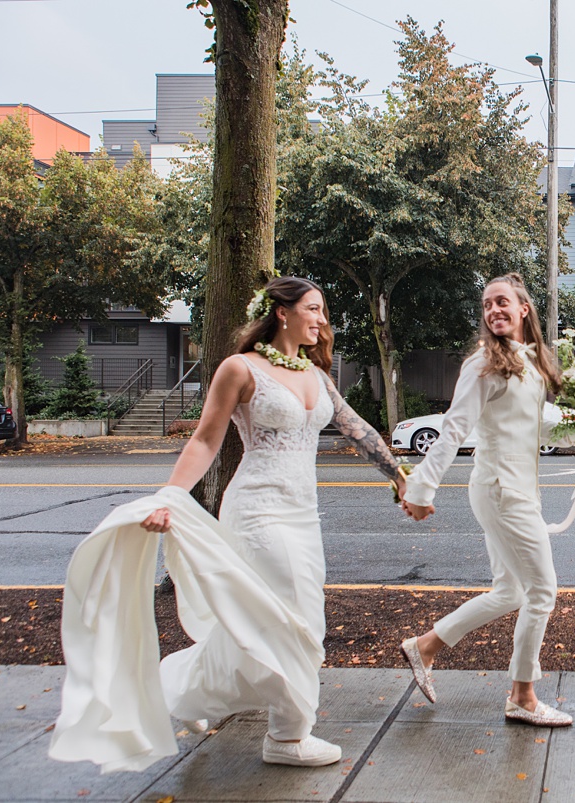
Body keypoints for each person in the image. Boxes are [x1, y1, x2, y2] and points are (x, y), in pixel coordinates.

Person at [134, 276, 409, 767]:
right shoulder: (240, 369)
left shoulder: (316, 376)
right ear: (282, 312)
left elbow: (355, 428)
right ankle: (287, 737)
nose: (322, 320)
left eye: (323, 311)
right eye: (314, 309)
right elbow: (204, 441)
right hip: (257, 508)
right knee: (299, 618)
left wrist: (399, 476)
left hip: (303, 514)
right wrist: (171, 497)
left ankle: (185, 691)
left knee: (273, 620)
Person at [400, 272, 574, 727]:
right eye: (486, 305)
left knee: (510, 591)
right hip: (501, 490)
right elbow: (453, 427)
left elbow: (540, 425)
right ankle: (523, 695)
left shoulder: (530, 362)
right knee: (542, 592)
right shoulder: (484, 362)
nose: (493, 310)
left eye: (501, 303)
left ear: (523, 310)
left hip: (517, 490)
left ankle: (425, 647)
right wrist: (420, 488)